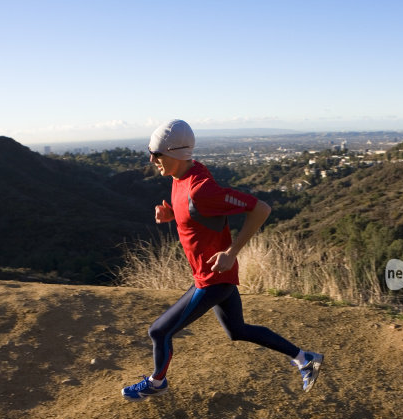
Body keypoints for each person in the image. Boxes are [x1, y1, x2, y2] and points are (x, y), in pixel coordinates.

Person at [121, 119, 323, 401]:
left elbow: (261, 209)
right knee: (237, 330)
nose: (152, 159)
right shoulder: (180, 177)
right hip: (214, 277)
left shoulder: (201, 188)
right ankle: (305, 358)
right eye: (151, 152)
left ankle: (157, 383)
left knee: (159, 331)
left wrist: (232, 252)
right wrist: (172, 214)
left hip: (213, 279)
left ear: (176, 153)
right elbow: (196, 214)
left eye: (157, 153)